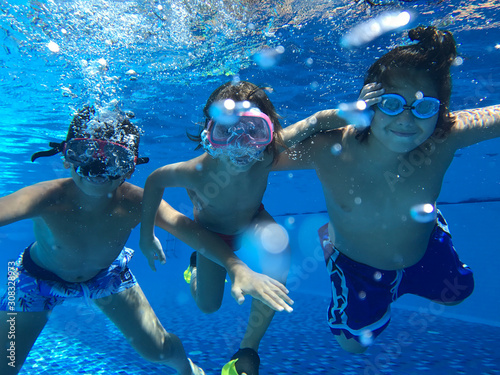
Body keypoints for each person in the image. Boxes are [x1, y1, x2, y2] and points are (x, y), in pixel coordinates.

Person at [0, 105, 290, 375]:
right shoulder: (45, 196)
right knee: (6, 362)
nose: (98, 169)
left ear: (130, 167)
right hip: (32, 280)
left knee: (160, 350)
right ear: (66, 156)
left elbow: (187, 229)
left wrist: (236, 267)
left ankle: (188, 369)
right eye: (84, 152)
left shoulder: (134, 201)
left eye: (115, 159)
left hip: (106, 277)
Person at [274, 26, 500, 353]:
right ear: (370, 104)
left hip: (423, 250)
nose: (407, 121)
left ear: (439, 111)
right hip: (359, 267)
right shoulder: (330, 146)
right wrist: (320, 120)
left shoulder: (445, 135)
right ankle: (330, 242)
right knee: (352, 346)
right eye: (392, 104)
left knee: (460, 293)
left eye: (423, 108)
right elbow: (257, 155)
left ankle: (431, 223)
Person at [140, 81, 330, 375]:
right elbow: (154, 180)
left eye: (253, 131)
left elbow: (314, 122)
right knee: (208, 306)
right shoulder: (197, 171)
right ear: (209, 134)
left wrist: (351, 114)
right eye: (226, 131)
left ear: (269, 132)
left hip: (254, 219)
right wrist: (146, 235)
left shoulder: (267, 154)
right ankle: (195, 268)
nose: (240, 145)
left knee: (278, 247)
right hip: (210, 235)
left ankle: (248, 349)